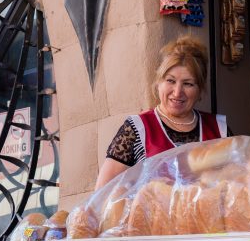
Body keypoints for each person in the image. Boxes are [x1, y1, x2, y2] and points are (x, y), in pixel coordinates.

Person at [95, 36, 228, 189]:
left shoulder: (219, 129)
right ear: (158, 83)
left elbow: (238, 185)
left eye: (188, 84)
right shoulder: (137, 129)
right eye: (170, 81)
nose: (177, 92)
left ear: (200, 90)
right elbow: (101, 193)